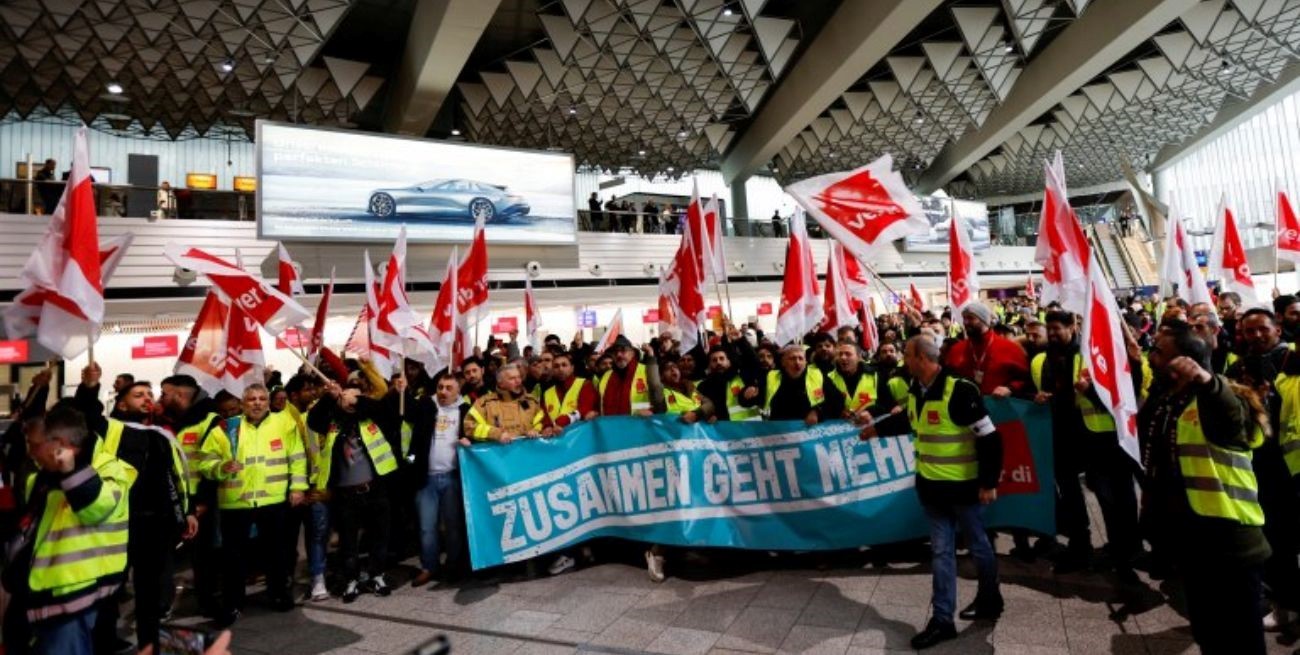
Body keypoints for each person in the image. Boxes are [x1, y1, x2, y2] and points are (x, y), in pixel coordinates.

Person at [858, 336, 1003, 649]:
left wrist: (989, 483)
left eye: (907, 355)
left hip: (964, 490)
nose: (903, 360)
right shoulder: (916, 389)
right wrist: (877, 430)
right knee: (941, 553)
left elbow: (990, 439)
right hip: (932, 490)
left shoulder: (959, 390)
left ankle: (990, 598)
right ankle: (942, 620)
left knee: (979, 547)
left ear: (922, 358)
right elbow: (910, 420)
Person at [1140, 323, 1269, 654]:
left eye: (1158, 352)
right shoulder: (1170, 401)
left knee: (1242, 640)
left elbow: (1231, 417)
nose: (1150, 356)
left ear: (1183, 362)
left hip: (1231, 541)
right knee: (1209, 633)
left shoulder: (1223, 398)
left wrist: (1208, 382)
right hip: (1193, 540)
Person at [6, 404, 132, 655]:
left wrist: (71, 469)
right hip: (38, 595)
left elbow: (96, 508)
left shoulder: (109, 469)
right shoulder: (42, 477)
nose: (30, 453)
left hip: (72, 599)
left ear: (59, 445)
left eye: (34, 444)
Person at [1030, 311, 1141, 578]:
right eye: (1049, 328)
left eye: (1057, 328)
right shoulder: (1044, 360)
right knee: (1070, 494)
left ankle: (1122, 551)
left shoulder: (1091, 354)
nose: (1052, 333)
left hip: (1097, 438)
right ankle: (1080, 545)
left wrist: (1088, 390)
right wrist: (1042, 398)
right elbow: (1052, 391)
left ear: (1073, 326)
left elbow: (1121, 396)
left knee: (1109, 497)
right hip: (1063, 435)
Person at [197, 383, 307, 626]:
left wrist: (298, 487)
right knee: (233, 558)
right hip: (236, 503)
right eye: (251, 399)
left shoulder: (284, 423)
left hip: (274, 500)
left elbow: (297, 457)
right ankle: (233, 604)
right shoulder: (226, 428)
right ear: (243, 404)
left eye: (261, 399)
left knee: (276, 553)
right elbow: (205, 462)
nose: (257, 403)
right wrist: (221, 468)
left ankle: (278, 594)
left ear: (268, 402)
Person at [1223, 309, 1300, 630]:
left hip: (1292, 467)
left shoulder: (1293, 360)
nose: (1255, 336)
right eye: (1248, 331)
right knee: (1276, 542)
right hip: (1260, 467)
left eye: (1262, 329)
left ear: (1277, 328)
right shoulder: (1236, 367)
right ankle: (1286, 604)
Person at [307, 378, 399, 602]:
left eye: (356, 396)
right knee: (348, 541)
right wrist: (330, 397)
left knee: (380, 536)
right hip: (345, 494)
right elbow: (313, 420)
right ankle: (351, 580)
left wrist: (359, 400)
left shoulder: (373, 419)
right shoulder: (332, 423)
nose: (350, 400)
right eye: (346, 396)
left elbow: (387, 410)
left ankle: (377, 575)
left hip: (375, 490)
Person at [400, 372, 471, 587]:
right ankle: (429, 566)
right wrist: (403, 391)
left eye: (449, 388)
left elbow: (478, 433)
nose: (443, 391)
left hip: (453, 477)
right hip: (426, 479)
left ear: (459, 390)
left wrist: (471, 440)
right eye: (440, 387)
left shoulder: (466, 410)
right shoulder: (425, 405)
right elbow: (406, 414)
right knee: (426, 527)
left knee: (453, 526)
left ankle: (453, 565)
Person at [943, 303, 1030, 399]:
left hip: (999, 407)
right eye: (964, 318)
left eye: (971, 318)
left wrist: (1010, 388)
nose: (966, 322)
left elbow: (1025, 379)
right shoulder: (956, 349)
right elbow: (947, 379)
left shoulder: (1010, 348)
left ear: (984, 320)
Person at [745, 345, 841, 423]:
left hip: (809, 432)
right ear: (783, 362)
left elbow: (837, 400)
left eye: (801, 358)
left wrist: (818, 412)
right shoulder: (771, 377)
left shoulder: (817, 375)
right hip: (780, 432)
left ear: (806, 362)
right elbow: (752, 399)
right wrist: (747, 395)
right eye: (792, 358)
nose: (797, 362)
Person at [465, 364, 544, 443]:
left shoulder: (532, 401)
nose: (518, 381)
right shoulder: (484, 404)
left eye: (519, 377)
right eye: (512, 378)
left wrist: (536, 430)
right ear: (500, 384)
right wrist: (496, 434)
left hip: (527, 452)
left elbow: (542, 422)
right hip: (497, 454)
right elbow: (469, 426)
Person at [542, 351, 598, 434]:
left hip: (579, 438)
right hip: (555, 441)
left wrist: (563, 421)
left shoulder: (584, 384)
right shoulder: (547, 393)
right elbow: (543, 416)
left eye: (564, 365)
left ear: (572, 368)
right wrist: (547, 426)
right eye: (556, 366)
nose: (560, 369)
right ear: (553, 370)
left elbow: (585, 409)